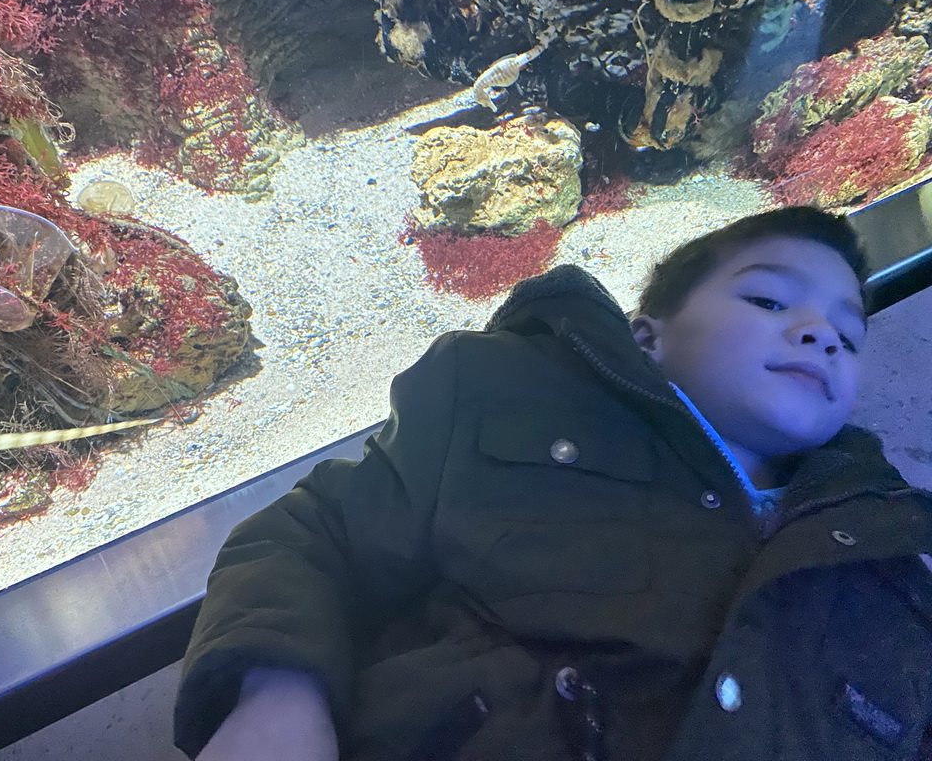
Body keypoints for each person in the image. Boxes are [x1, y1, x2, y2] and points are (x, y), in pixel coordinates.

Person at [174, 206, 932, 761]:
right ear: (649, 337)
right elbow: (309, 533)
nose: (820, 334)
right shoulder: (508, 398)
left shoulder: (886, 545)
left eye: (848, 333)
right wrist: (274, 694)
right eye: (769, 300)